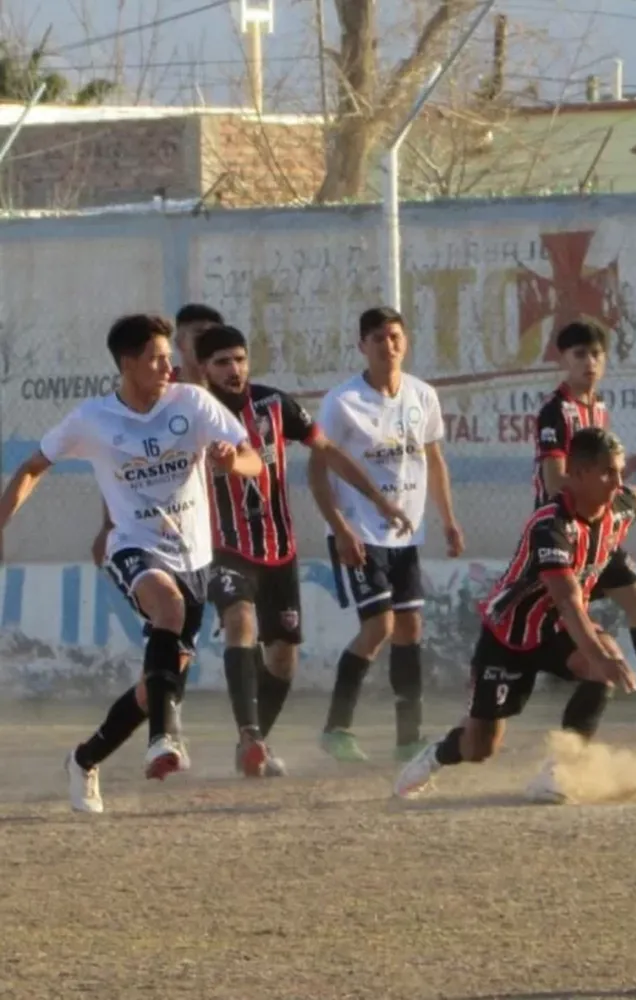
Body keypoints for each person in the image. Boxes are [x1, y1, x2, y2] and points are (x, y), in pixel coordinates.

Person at [0, 314, 262, 813]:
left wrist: (232, 462)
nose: (169, 366)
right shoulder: (92, 420)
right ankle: (165, 741)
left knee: (154, 687)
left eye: (169, 356)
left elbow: (254, 459)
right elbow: (33, 466)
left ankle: (83, 759)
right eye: (158, 358)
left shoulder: (194, 403)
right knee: (166, 609)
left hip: (196, 558)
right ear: (128, 364)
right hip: (134, 546)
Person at [394, 427, 636, 799]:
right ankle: (436, 755)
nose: (618, 482)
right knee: (481, 746)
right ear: (578, 474)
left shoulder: (618, 506)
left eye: (619, 471)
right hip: (509, 636)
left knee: (602, 664)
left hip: (556, 630)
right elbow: (568, 602)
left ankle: (558, 773)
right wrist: (599, 656)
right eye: (607, 472)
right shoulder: (551, 527)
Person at [195, 323, 414, 778]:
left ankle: (255, 745)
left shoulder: (275, 405)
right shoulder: (193, 413)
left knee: (282, 657)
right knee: (240, 621)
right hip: (223, 546)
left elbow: (328, 450)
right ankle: (249, 734)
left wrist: (379, 499)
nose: (233, 369)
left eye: (239, 359)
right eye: (222, 362)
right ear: (204, 369)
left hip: (278, 548)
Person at [526, 320, 636, 800]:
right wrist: (625, 497)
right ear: (562, 362)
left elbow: (595, 475)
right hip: (567, 534)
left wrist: (620, 477)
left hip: (599, 529)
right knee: (587, 641)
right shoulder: (557, 412)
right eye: (578, 355)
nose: (588, 362)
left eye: (595, 354)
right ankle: (562, 760)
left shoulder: (598, 409)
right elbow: (556, 483)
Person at [308, 306, 465, 763]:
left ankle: (408, 737)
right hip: (359, 532)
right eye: (377, 338)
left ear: (406, 341)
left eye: (395, 336)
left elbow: (434, 460)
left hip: (406, 535)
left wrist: (448, 520)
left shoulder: (422, 396)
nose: (387, 345)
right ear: (362, 346)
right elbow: (318, 472)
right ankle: (336, 728)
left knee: (410, 628)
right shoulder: (342, 402)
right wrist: (339, 530)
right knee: (378, 627)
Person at [90, 303, 222, 566]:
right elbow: (123, 458)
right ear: (180, 344)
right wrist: (109, 523)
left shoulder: (234, 393)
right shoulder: (156, 394)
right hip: (172, 533)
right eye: (198, 335)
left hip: (232, 529)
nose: (205, 343)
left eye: (213, 336)